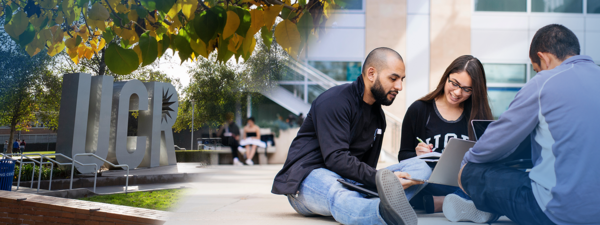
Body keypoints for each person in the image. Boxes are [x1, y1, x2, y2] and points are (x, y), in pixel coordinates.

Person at [444, 24, 600, 225]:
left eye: (536, 69)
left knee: (472, 172)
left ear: (543, 58)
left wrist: (466, 163)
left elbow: (500, 137)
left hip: (554, 212)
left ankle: (486, 207)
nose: (538, 73)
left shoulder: (545, 81)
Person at [272, 47, 431, 225]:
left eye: (401, 80)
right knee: (337, 192)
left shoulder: (378, 117)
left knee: (420, 168)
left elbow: (367, 167)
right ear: (371, 73)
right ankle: (379, 213)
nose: (399, 87)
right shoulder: (334, 101)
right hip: (310, 180)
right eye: (393, 78)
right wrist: (378, 180)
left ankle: (373, 202)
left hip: (351, 182)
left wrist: (377, 181)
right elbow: (336, 159)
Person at [398, 55, 493, 213]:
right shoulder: (419, 110)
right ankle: (457, 202)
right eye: (454, 83)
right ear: (446, 77)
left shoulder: (478, 117)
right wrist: (416, 154)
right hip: (428, 184)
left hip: (463, 183)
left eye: (466, 89)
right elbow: (402, 156)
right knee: (410, 181)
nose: (457, 92)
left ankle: (441, 203)